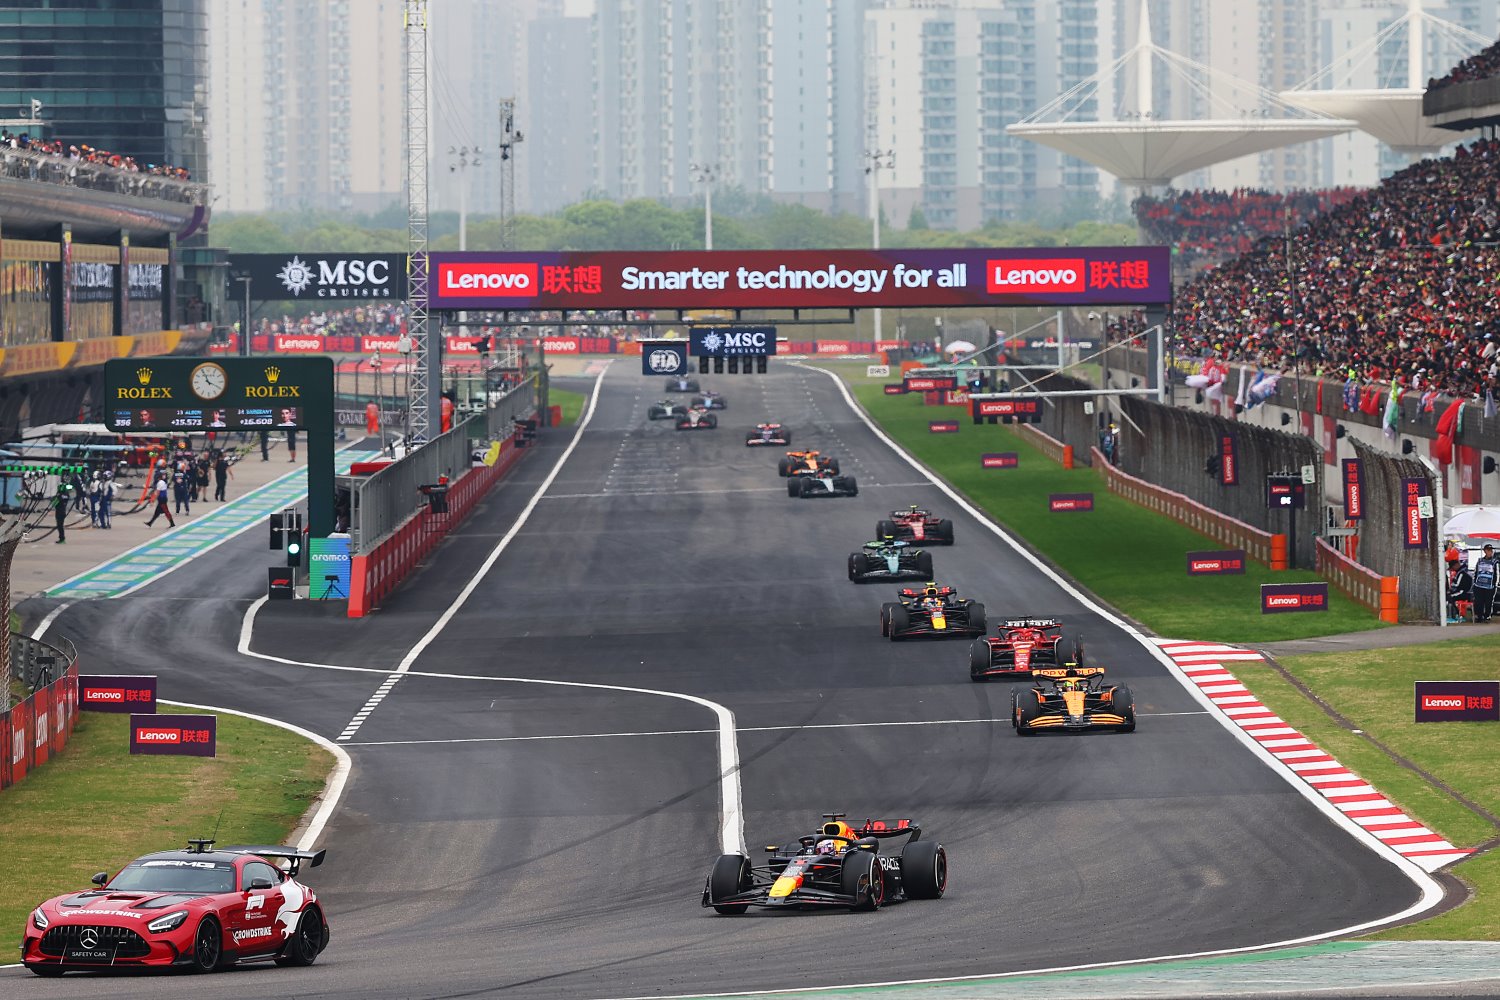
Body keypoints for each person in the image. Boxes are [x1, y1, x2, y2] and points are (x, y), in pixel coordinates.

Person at [1472, 544, 1499, 622]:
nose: (1490, 552)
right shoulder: (1480, 560)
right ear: (1485, 551)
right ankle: (1479, 616)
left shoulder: (1495, 561)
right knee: (1479, 602)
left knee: (1488, 602)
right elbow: (1475, 572)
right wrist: (1474, 583)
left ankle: (1487, 616)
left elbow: (1497, 573)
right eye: (1488, 550)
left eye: (1491, 550)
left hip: (1490, 586)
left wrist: (1495, 585)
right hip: (1478, 585)